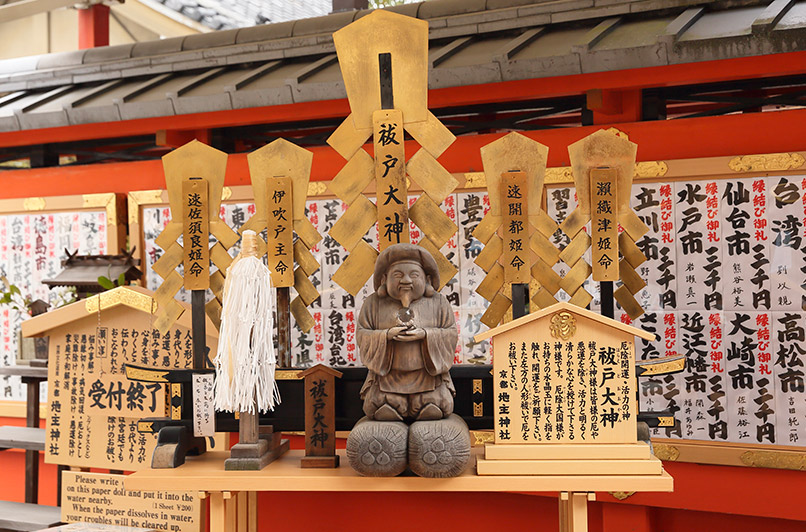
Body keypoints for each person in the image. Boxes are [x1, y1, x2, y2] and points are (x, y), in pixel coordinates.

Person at [356, 243, 458, 421]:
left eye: (414, 274)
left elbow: (450, 334)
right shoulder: (373, 304)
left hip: (427, 378)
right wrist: (386, 335)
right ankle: (392, 405)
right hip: (388, 379)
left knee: (439, 401)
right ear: (384, 279)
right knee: (377, 402)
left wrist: (426, 335)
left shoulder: (439, 302)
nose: (406, 280)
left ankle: (426, 404)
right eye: (398, 275)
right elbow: (362, 334)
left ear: (426, 279)